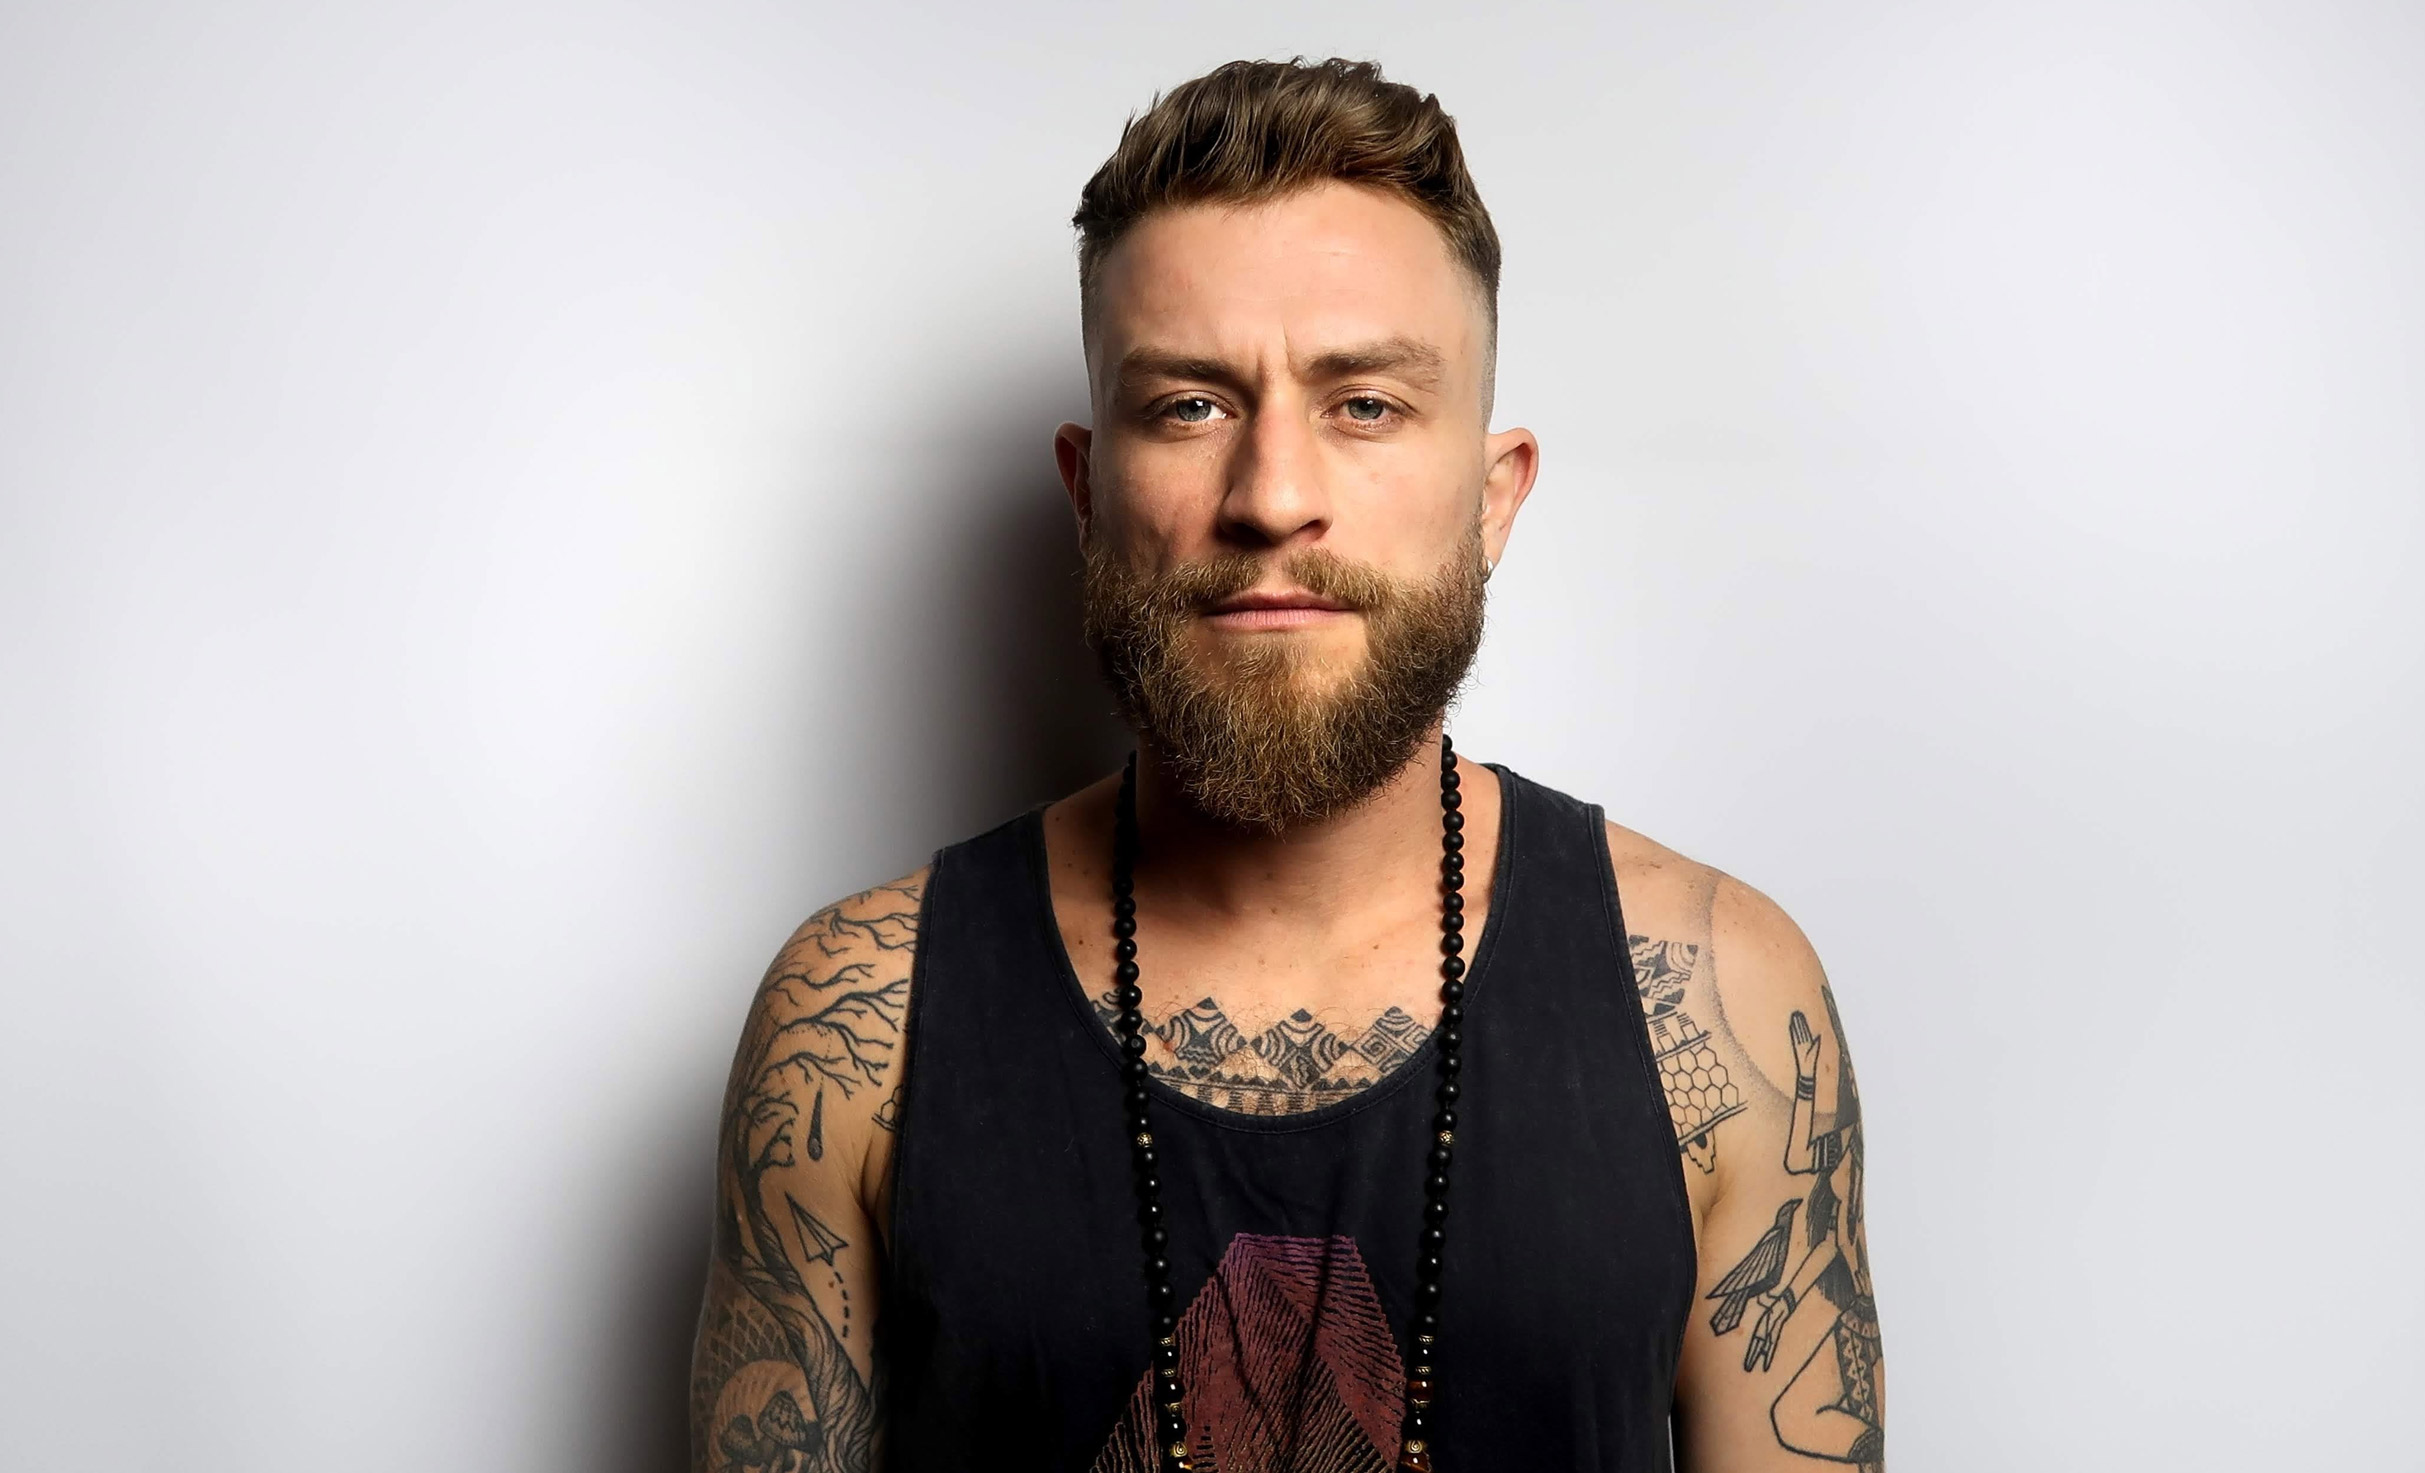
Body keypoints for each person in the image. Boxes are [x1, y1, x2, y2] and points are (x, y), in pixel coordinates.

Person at [688, 57, 1886, 1473]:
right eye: (1188, 406)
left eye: (1363, 403)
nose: (1271, 497)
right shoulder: (856, 1021)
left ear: (1492, 497)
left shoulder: (1722, 1003)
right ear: (1086, 493)